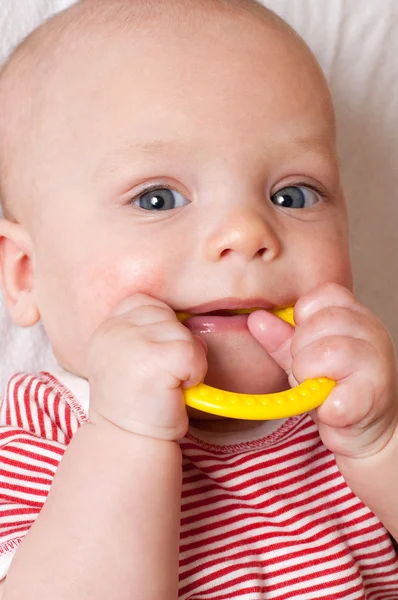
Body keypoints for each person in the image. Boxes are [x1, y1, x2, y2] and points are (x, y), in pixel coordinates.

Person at [0, 0, 397, 597]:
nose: (246, 232)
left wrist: (381, 441)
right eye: (157, 198)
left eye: (294, 195)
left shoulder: (358, 405)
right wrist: (124, 434)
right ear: (28, 274)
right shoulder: (40, 435)